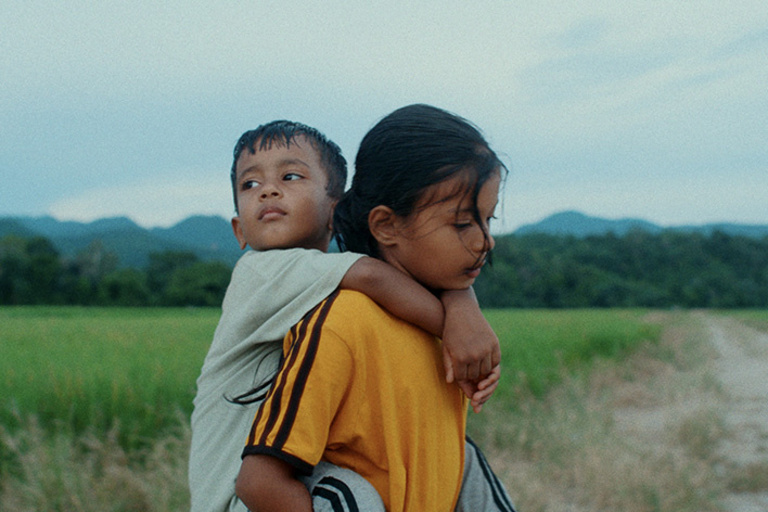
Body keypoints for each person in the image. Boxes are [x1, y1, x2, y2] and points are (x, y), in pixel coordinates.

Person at [189, 120, 502, 512]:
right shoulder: (259, 272)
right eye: (249, 185)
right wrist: (459, 325)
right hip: (237, 500)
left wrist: (462, 300)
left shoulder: (327, 285)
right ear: (239, 231)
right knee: (346, 489)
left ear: (334, 211)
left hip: (282, 479)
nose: (267, 190)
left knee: (463, 459)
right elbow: (374, 275)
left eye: (289, 176)